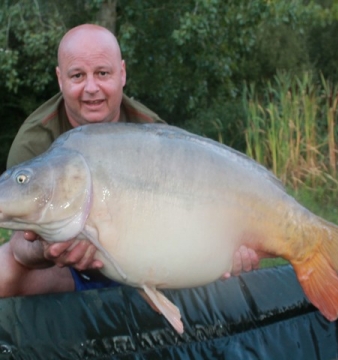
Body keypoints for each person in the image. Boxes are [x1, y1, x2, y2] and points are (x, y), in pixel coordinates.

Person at [0, 24, 260, 298]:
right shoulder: (35, 140)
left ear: (122, 74)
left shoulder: (151, 130)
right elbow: (20, 247)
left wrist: (227, 250)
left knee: (215, 275)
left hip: (144, 256)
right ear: (60, 78)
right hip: (66, 272)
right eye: (77, 75)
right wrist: (48, 249)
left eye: (102, 73)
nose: (91, 88)